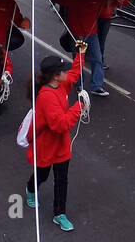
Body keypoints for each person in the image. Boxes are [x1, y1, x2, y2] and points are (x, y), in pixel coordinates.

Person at [24, 50, 88, 232]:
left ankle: (59, 214)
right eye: (63, 70)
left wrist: (81, 55)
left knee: (62, 180)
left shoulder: (60, 85)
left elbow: (74, 74)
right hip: (46, 146)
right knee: (42, 174)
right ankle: (30, 189)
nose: (66, 73)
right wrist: (79, 106)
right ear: (55, 76)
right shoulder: (46, 96)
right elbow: (60, 125)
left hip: (61, 146)